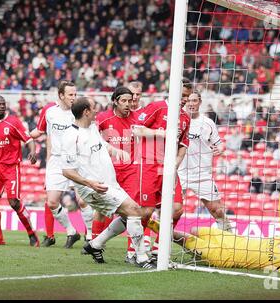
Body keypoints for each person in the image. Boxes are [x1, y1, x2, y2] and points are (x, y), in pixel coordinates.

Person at [148, 161, 280, 274]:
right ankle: (191, 250)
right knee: (194, 230)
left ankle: (148, 222)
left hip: (224, 255)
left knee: (181, 237)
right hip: (231, 238)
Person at [61, 97, 156, 268]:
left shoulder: (91, 128)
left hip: (109, 183)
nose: (96, 111)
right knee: (134, 210)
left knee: (129, 216)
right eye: (93, 108)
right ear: (86, 112)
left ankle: (95, 245)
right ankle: (142, 258)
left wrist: (115, 150)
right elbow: (67, 171)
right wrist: (89, 184)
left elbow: (101, 144)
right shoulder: (71, 136)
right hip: (94, 188)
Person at [132, 78, 192, 259]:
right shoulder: (157, 107)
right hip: (149, 164)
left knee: (177, 208)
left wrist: (176, 162)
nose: (184, 100)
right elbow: (136, 129)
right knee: (146, 210)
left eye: (187, 97)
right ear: (172, 92)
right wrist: (161, 133)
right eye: (182, 96)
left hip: (168, 167)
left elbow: (183, 145)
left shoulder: (185, 118)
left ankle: (159, 245)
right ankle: (136, 248)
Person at [30, 81, 92, 248]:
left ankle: (91, 238)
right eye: (70, 95)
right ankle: (72, 232)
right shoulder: (49, 112)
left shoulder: (80, 112)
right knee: (51, 202)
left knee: (83, 201)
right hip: (56, 161)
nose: (73, 98)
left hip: (77, 160)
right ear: (61, 96)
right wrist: (23, 137)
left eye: (75, 94)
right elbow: (41, 132)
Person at [96, 86, 150, 264]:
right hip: (108, 172)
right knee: (102, 212)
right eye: (124, 101)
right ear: (115, 101)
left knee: (134, 211)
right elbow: (92, 138)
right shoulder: (104, 118)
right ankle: (95, 244)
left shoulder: (138, 119)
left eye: (131, 100)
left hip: (131, 172)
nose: (129, 104)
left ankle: (131, 253)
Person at [0, 95, 39, 246]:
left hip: (10, 167)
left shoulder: (13, 122)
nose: (2, 106)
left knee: (14, 202)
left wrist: (33, 152)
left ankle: (32, 234)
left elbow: (28, 139)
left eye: (3, 104)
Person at [178, 92, 233, 232]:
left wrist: (219, 150)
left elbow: (219, 144)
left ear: (200, 102)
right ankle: (158, 244)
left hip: (202, 174)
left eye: (194, 100)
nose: (191, 103)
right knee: (172, 211)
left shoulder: (208, 123)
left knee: (218, 211)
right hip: (179, 174)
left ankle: (229, 239)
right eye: (189, 101)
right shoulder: (176, 120)